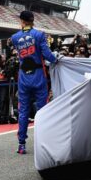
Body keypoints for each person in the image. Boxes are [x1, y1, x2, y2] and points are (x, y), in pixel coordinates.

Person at [11, 10, 58, 154]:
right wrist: (57, 59)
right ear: (32, 20)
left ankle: (21, 144)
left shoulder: (14, 37)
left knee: (23, 111)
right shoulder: (39, 35)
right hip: (38, 76)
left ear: (22, 21)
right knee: (42, 110)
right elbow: (48, 55)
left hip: (24, 76)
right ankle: (44, 141)